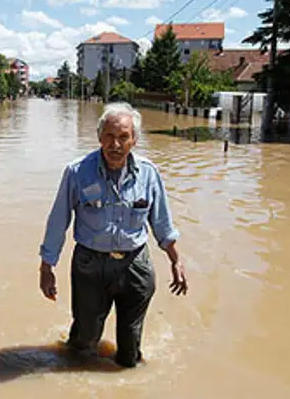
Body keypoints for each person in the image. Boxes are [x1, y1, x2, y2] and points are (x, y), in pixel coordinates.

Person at [38, 101, 187, 368]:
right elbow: (58, 220)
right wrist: (46, 266)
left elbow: (161, 222)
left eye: (123, 137)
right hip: (90, 265)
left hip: (135, 265)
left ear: (134, 140)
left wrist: (176, 260)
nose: (115, 144)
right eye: (109, 136)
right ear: (99, 137)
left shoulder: (148, 174)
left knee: (130, 350)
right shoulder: (77, 172)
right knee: (84, 340)